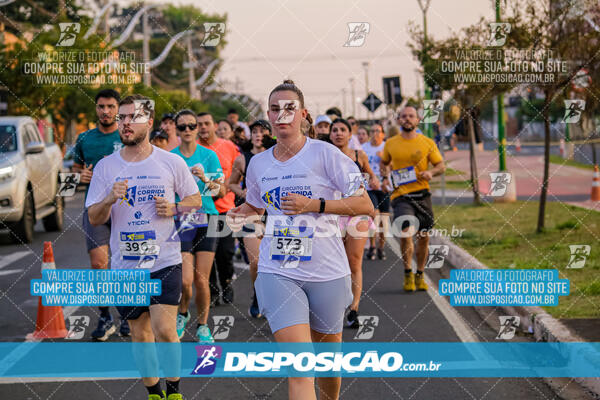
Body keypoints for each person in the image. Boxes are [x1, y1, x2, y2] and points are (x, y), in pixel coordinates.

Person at [227, 80, 374, 400]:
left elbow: (366, 206)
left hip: (327, 271)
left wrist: (315, 206)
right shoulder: (259, 164)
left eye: (289, 109)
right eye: (275, 109)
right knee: (299, 367)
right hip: (278, 270)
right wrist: (243, 213)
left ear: (303, 114)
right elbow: (256, 205)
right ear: (268, 115)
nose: (282, 115)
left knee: (327, 364)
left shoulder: (327, 156)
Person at [86, 94, 202, 400]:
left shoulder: (171, 162)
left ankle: (174, 391)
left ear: (149, 123)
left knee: (165, 330)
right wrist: (110, 198)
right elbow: (94, 218)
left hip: (164, 259)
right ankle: (154, 393)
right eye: (122, 117)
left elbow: (195, 201)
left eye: (132, 117)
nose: (125, 123)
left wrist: (175, 208)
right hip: (125, 265)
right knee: (140, 333)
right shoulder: (105, 167)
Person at [72, 88, 129, 341]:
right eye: (101, 107)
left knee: (128, 264)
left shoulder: (127, 135)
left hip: (127, 209)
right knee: (99, 264)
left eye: (110, 107)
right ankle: (105, 317)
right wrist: (78, 177)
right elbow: (70, 177)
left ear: (118, 109)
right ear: (96, 109)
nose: (105, 111)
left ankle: (129, 314)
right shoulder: (84, 139)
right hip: (96, 208)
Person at [171, 109, 225, 343]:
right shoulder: (170, 158)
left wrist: (204, 178)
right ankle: (182, 312)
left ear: (198, 128)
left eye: (192, 126)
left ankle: (203, 326)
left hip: (208, 218)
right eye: (182, 127)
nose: (188, 130)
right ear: (176, 130)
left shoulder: (209, 156)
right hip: (181, 219)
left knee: (202, 279)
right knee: (185, 280)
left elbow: (220, 192)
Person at [380, 106, 445, 292]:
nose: (407, 119)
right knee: (406, 232)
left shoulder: (427, 142)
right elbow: (383, 163)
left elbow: (441, 165)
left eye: (411, 116)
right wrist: (385, 177)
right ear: (399, 120)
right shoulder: (391, 143)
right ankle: (408, 272)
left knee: (423, 237)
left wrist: (430, 172)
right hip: (401, 196)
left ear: (417, 120)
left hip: (422, 194)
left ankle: (420, 274)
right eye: (404, 116)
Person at [328, 118, 380, 329]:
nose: (338, 133)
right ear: (330, 135)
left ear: (350, 134)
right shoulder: (325, 156)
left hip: (357, 212)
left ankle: (354, 308)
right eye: (335, 130)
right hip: (333, 212)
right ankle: (335, 305)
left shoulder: (359, 156)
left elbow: (372, 179)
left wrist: (376, 185)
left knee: (354, 260)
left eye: (343, 130)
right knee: (335, 263)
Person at [228, 119, 275, 318]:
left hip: (273, 212)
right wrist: (245, 194)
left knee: (273, 260)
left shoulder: (276, 156)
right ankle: (258, 295)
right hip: (251, 213)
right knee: (256, 261)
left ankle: (272, 297)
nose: (258, 134)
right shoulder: (242, 159)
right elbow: (231, 183)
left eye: (262, 131)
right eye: (254, 131)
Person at [197, 112, 241, 306]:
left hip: (224, 209)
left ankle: (226, 282)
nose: (203, 127)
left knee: (225, 254)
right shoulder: (194, 150)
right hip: (200, 210)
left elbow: (238, 172)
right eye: (199, 124)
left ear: (215, 125)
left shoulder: (229, 147)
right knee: (205, 255)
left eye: (207, 123)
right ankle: (211, 289)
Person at [362, 123, 390, 261]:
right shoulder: (364, 148)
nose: (375, 133)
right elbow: (361, 167)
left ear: (383, 134)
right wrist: (368, 181)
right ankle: (372, 245)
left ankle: (381, 247)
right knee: (374, 216)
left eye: (378, 131)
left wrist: (385, 160)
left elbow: (395, 165)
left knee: (383, 221)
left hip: (384, 187)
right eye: (372, 131)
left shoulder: (387, 147)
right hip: (370, 188)